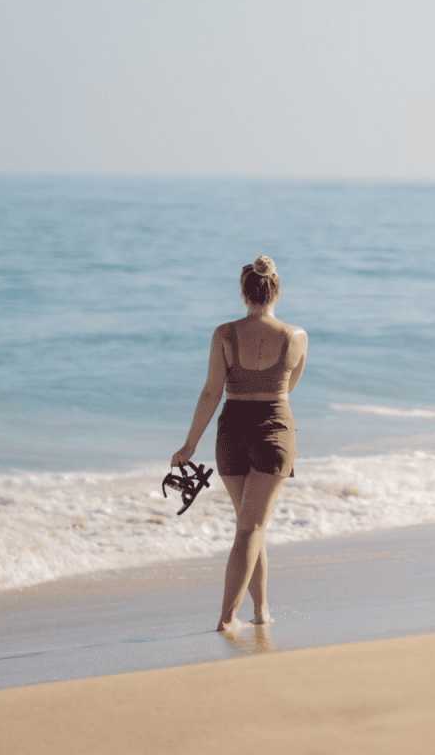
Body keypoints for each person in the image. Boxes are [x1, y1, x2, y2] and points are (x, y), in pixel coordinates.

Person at [172, 255, 308, 632]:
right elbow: (289, 387)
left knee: (249, 526)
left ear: (244, 293)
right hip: (273, 430)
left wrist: (189, 445)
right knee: (251, 527)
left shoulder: (224, 334)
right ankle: (226, 619)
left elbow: (211, 391)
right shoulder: (296, 336)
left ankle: (261, 609)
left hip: (231, 432)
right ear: (277, 289)